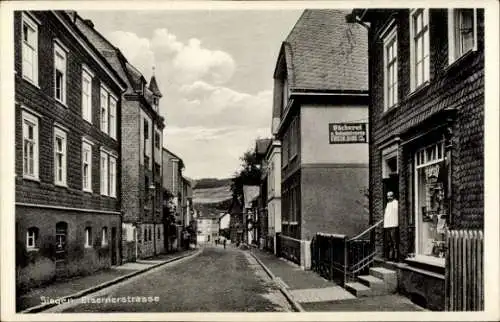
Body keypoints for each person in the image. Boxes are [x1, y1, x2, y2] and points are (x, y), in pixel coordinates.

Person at [383, 191, 399, 261]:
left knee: (394, 241)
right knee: (389, 242)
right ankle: (390, 256)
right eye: (388, 196)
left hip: (393, 224)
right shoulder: (388, 204)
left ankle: (396, 256)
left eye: (390, 196)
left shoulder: (395, 202)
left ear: (393, 196)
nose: (388, 197)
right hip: (387, 225)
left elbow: (396, 213)